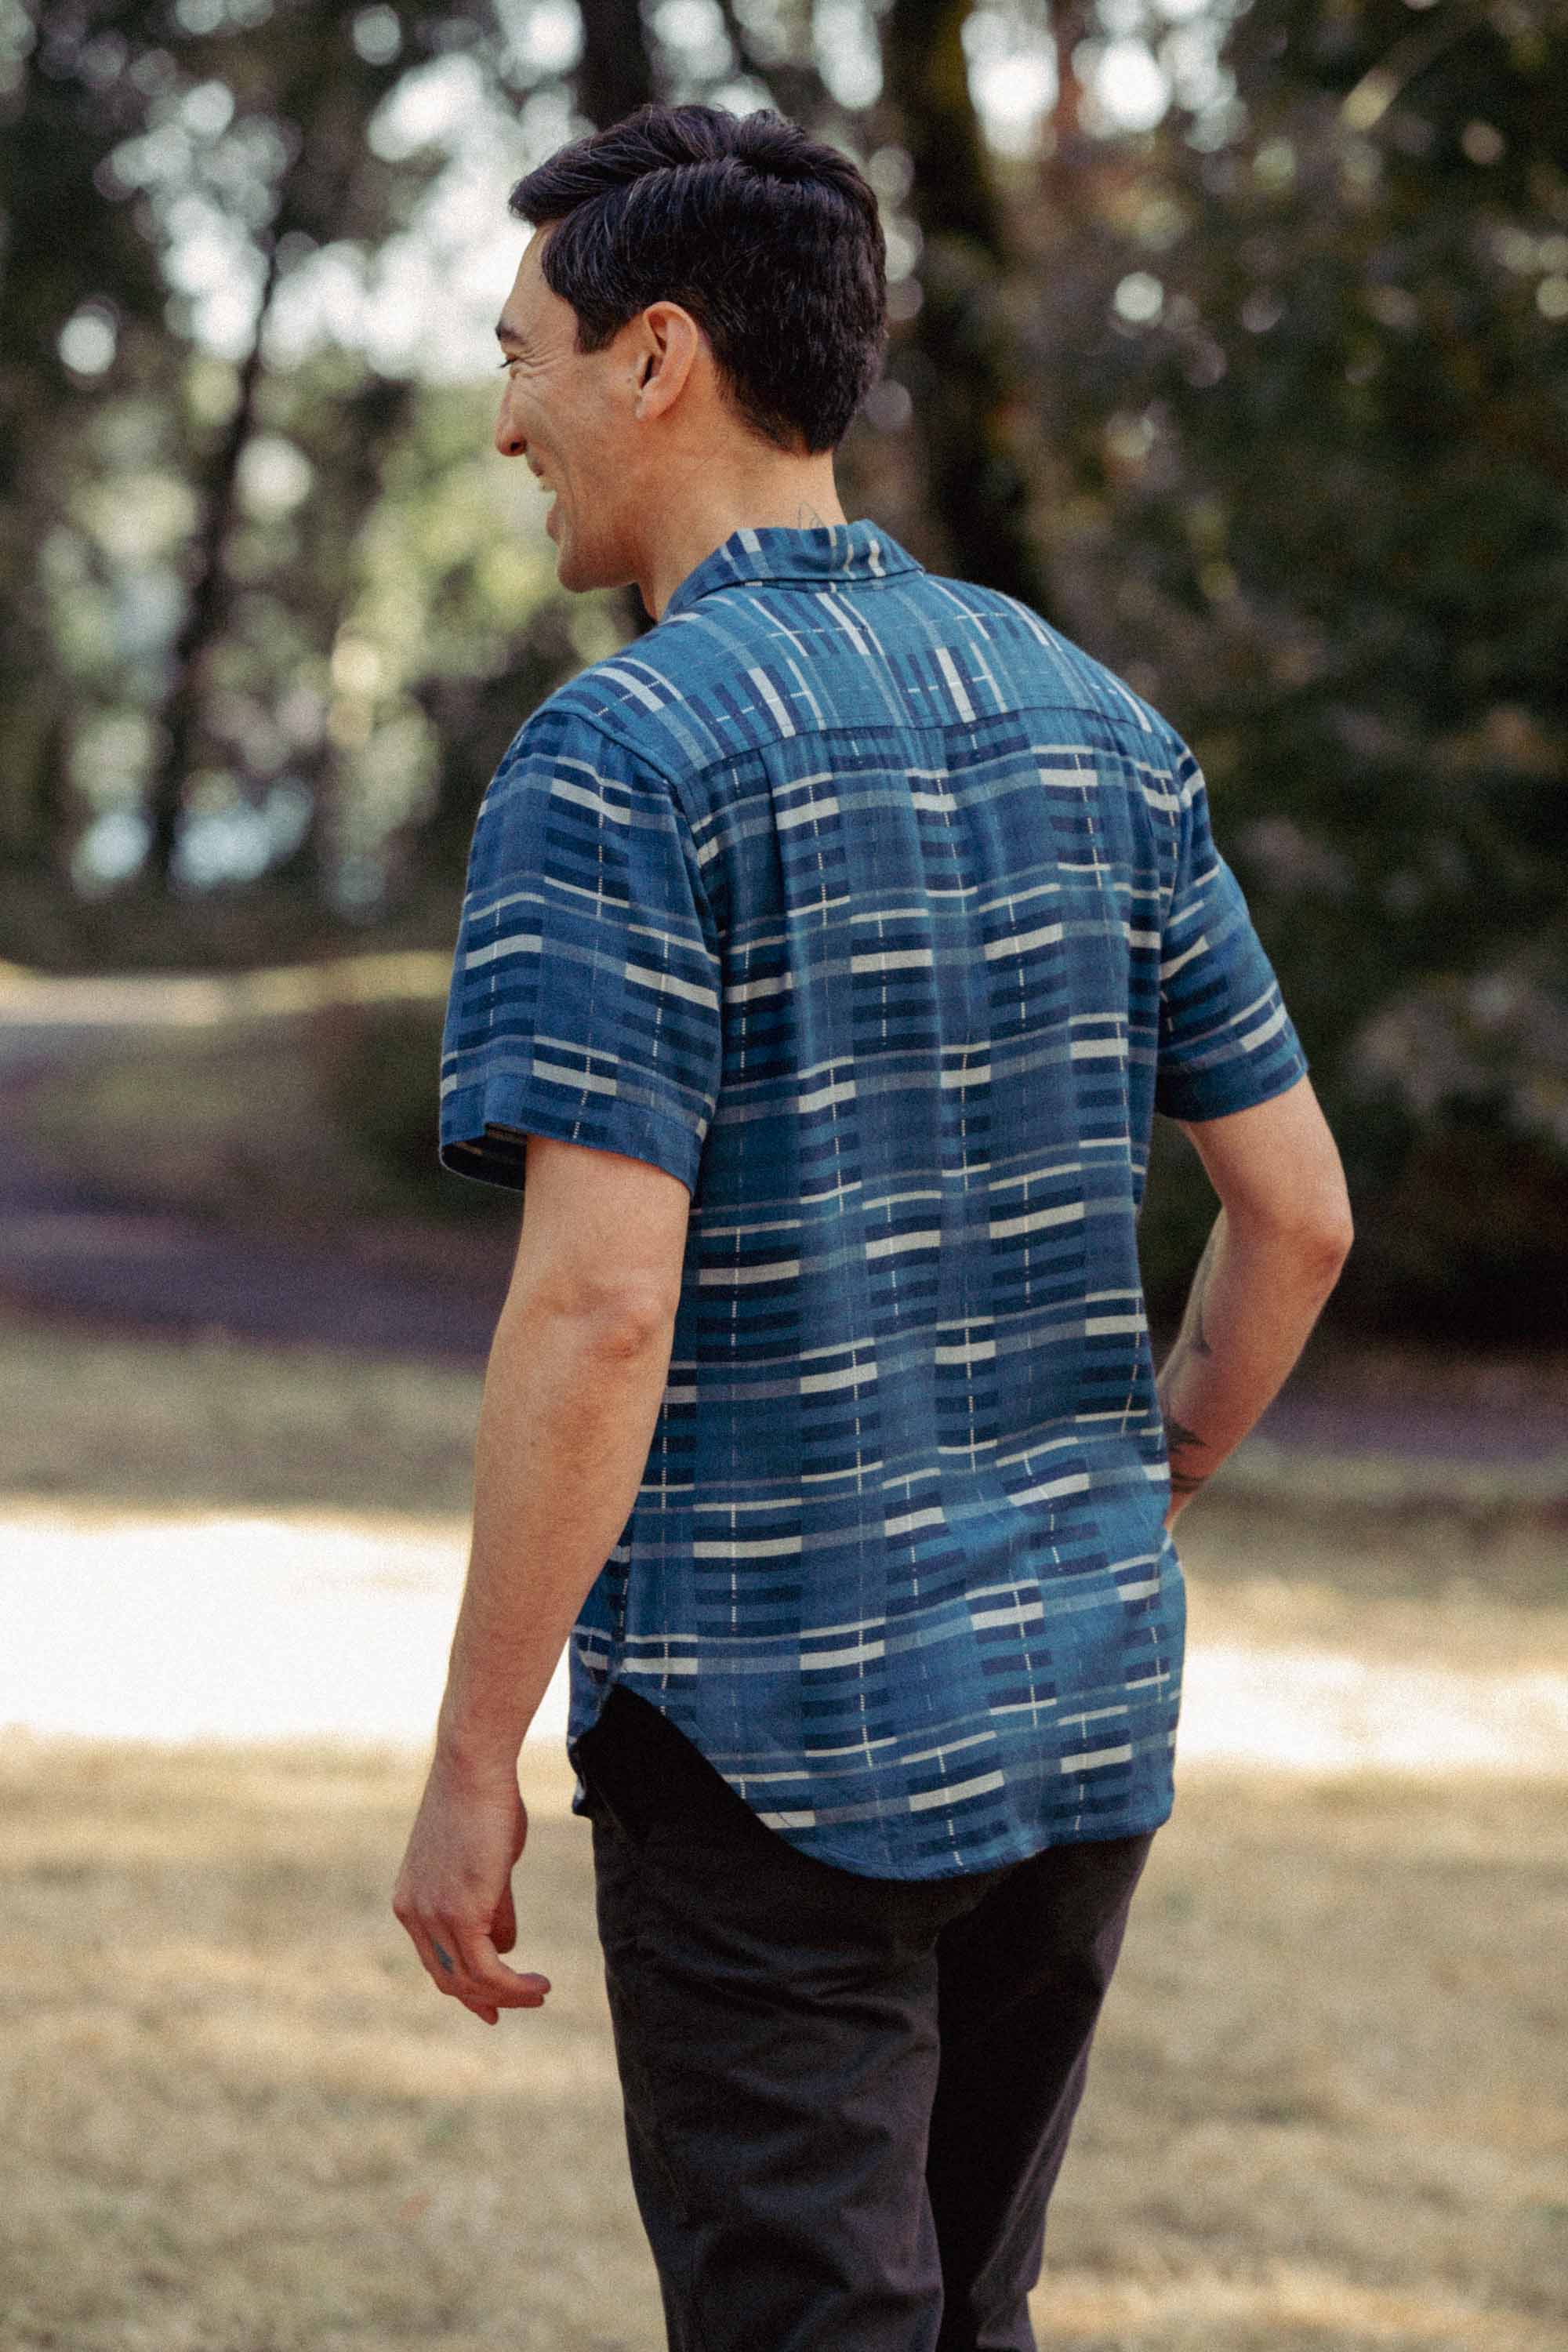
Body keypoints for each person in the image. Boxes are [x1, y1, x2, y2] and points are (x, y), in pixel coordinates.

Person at [392, 99, 1355, 2352]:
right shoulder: (1098, 726)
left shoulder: (620, 764)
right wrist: (1153, 1477)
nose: (503, 410)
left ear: (657, 356)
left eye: (521, 345)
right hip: (1080, 1712)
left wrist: (467, 1766)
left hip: (770, 1746)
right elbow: (1297, 1218)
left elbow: (601, 1309)